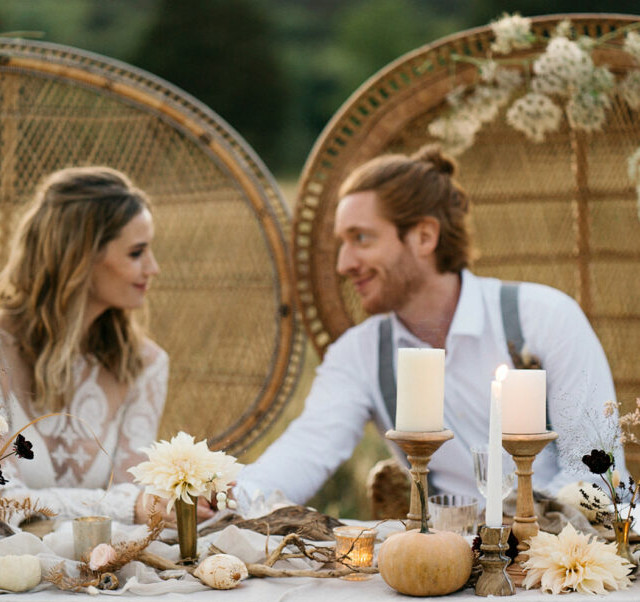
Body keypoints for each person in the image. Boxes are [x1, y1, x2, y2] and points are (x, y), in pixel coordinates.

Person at [238, 145, 620, 507]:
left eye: (361, 239)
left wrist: (529, 535)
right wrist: (225, 497)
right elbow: (304, 450)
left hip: (561, 552)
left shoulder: (544, 316)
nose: (344, 264)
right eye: (342, 243)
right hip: (447, 560)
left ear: (424, 236)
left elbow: (596, 470)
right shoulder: (360, 353)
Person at [0, 167, 212, 526]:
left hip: (102, 569)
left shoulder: (144, 365)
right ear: (80, 258)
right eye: (137, 253)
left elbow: (136, 493)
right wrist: (130, 507)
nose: (153, 268)